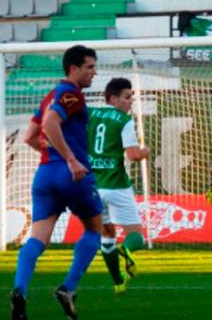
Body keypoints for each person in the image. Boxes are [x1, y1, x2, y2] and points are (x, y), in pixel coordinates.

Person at [11, 45, 102, 320]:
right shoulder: (71, 93)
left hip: (45, 174)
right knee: (95, 230)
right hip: (70, 174)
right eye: (89, 67)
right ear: (73, 69)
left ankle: (19, 290)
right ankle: (68, 289)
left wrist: (52, 155)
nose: (93, 73)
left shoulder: (50, 95)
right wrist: (71, 161)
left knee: (37, 238)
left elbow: (29, 137)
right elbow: (51, 123)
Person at [88, 78, 150, 295]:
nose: (130, 101)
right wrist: (145, 151)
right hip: (116, 184)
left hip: (93, 187)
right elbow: (133, 156)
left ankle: (117, 281)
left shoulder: (89, 114)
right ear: (113, 98)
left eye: (131, 97)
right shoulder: (124, 120)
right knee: (137, 234)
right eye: (127, 97)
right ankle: (128, 249)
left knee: (107, 234)